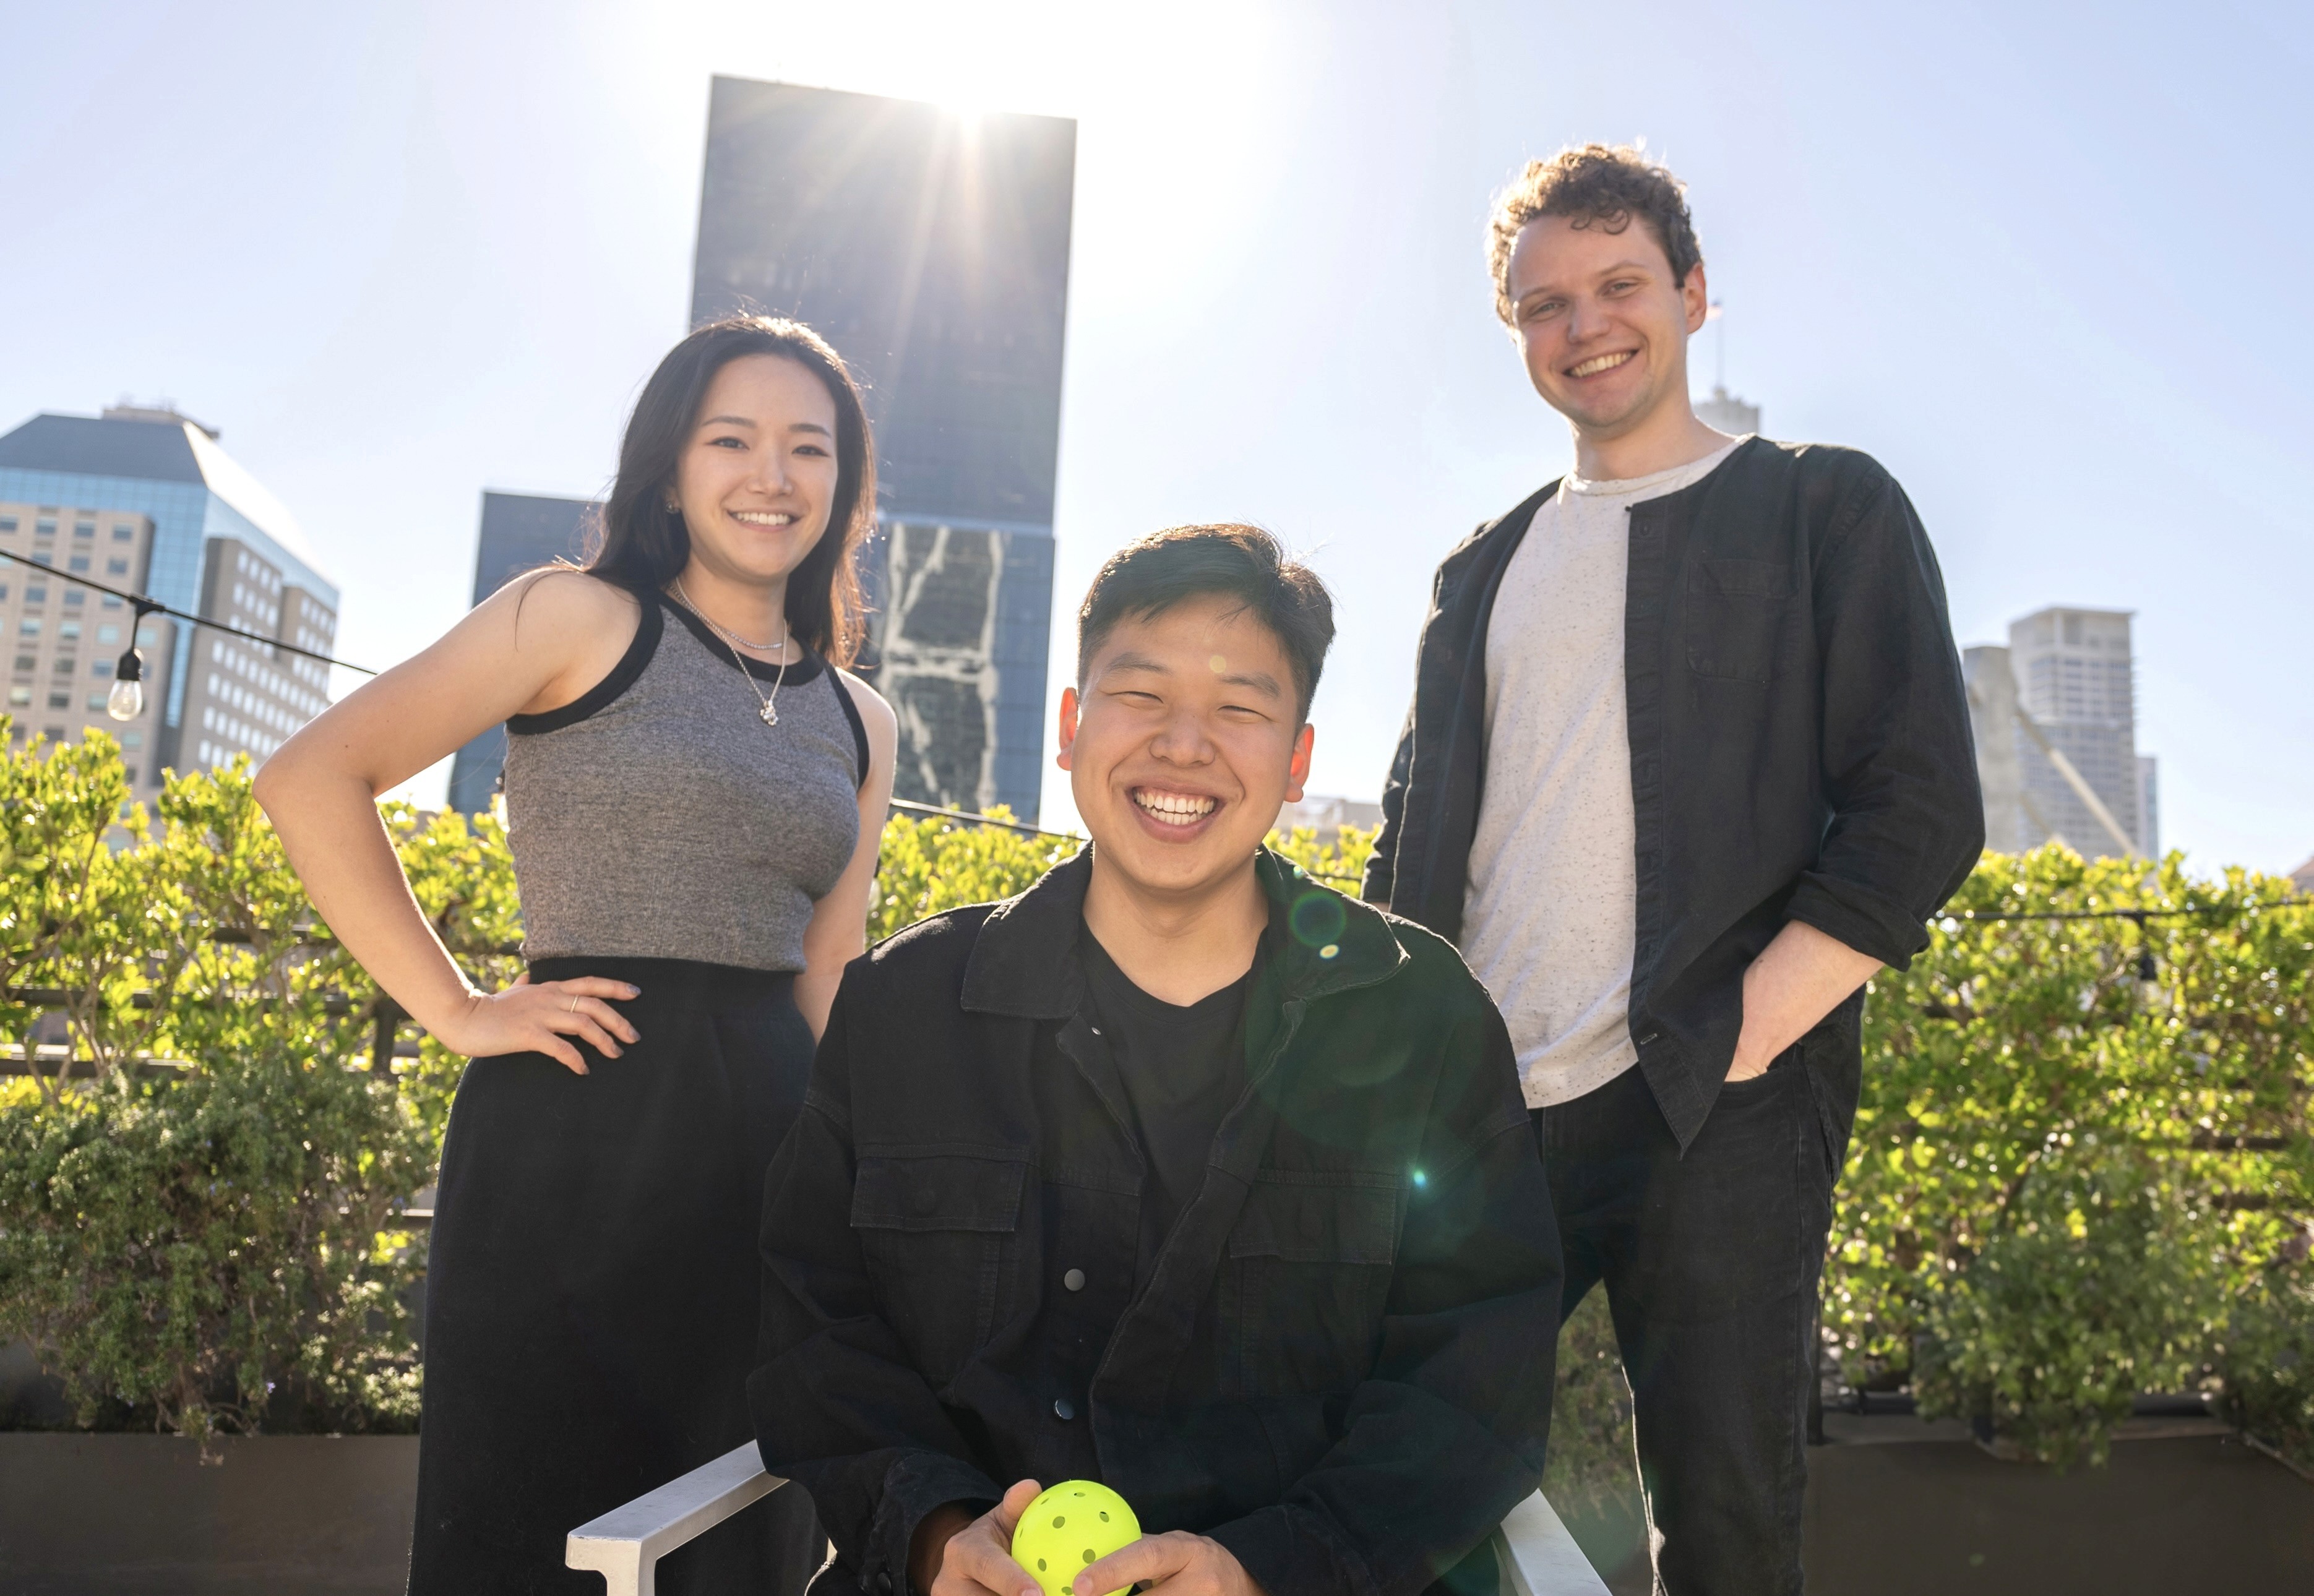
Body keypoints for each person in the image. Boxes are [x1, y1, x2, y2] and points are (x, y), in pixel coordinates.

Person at [1362, 146, 1984, 1594]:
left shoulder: (1822, 507)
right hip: (1479, 1117)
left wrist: (1749, 1033)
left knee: (1725, 1525)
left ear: (1694, 294)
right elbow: (1410, 844)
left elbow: (1918, 804)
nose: (1584, 327)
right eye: (1545, 304)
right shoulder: (1482, 568)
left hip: (1721, 1102)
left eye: (1619, 285)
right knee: (1397, 1482)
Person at [747, 525, 1562, 1596]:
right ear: (1072, 726)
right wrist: (939, 1533)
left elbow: (1475, 1379)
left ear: (1299, 758)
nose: (1185, 746)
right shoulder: (909, 1008)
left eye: (1240, 709)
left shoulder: (1420, 1020)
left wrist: (1263, 1569)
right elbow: (817, 1332)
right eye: (1141, 696)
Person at [256, 315, 898, 1594]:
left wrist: (867, 1180)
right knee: (537, 1524)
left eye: (807, 448)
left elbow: (829, 970)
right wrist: (454, 1007)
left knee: (743, 1523)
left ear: (842, 489)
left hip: (773, 1152)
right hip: (576, 1126)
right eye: (734, 439)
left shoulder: (861, 715)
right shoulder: (573, 617)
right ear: (670, 469)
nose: (772, 474)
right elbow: (312, 777)